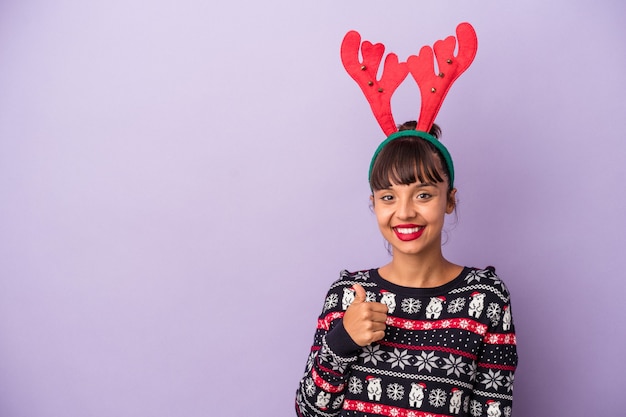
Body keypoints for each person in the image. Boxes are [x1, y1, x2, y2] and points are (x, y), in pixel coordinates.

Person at [295, 121, 518, 417]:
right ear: (374, 204)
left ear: (450, 200)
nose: (404, 212)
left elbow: (493, 411)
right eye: (388, 197)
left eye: (423, 194)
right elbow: (309, 412)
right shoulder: (348, 296)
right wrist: (341, 341)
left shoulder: (485, 299)